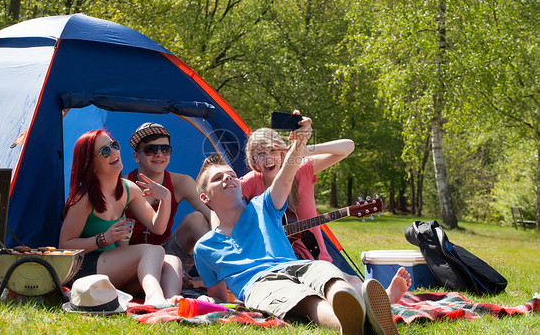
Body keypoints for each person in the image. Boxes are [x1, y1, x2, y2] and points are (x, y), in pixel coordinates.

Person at [193, 115, 399, 335]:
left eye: (232, 175)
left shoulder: (263, 205)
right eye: (218, 179)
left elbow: (285, 178)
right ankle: (358, 322)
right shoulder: (205, 247)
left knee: (330, 277)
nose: (228, 179)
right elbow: (218, 296)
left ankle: (360, 308)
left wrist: (300, 143)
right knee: (306, 301)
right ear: (205, 198)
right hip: (259, 282)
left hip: (298, 264)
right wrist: (208, 298)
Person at [241, 119, 411, 304]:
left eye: (272, 150)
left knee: (351, 280)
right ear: (253, 162)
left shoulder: (302, 170)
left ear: (282, 152)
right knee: (337, 285)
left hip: (314, 258)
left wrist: (303, 150)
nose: (267, 158)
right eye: (260, 154)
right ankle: (376, 299)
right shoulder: (252, 182)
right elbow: (220, 200)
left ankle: (382, 299)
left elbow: (348, 147)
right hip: (277, 263)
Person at [59, 130, 182, 306]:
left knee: (172, 260)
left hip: (113, 269)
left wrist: (166, 198)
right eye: (105, 151)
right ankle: (154, 298)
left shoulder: (128, 189)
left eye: (114, 145)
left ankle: (170, 302)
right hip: (84, 271)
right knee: (153, 251)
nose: (114, 152)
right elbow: (64, 245)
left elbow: (158, 227)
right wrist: (103, 239)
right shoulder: (85, 199)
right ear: (91, 163)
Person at [124, 122, 214, 282]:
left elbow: (210, 211)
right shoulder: (123, 185)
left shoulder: (180, 182)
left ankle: (225, 271)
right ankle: (172, 277)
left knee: (197, 219)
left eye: (165, 149)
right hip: (132, 257)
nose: (159, 154)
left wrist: (227, 239)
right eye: (151, 149)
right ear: (136, 156)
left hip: (167, 251)